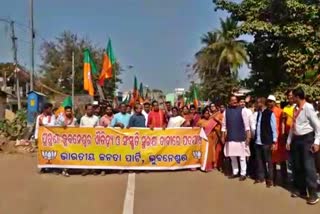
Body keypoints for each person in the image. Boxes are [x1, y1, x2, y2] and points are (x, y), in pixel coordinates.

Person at [286, 87, 320, 205]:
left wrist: (316, 142)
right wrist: (289, 141)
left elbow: (318, 126)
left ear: (297, 97)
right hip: (297, 139)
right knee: (298, 166)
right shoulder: (295, 108)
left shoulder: (308, 108)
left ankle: (313, 193)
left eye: (292, 96)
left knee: (308, 166)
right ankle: (302, 190)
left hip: (307, 139)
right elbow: (293, 126)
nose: (290, 98)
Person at [221, 95, 251, 181]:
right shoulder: (226, 112)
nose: (234, 101)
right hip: (230, 137)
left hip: (241, 137)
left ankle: (243, 173)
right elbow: (223, 126)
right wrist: (223, 136)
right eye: (232, 100)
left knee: (242, 156)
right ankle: (235, 172)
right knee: (232, 156)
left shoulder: (242, 110)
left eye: (235, 100)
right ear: (229, 102)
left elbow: (247, 125)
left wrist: (248, 136)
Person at [253, 97, 277, 187]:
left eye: (257, 103)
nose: (256, 104)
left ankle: (270, 179)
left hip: (266, 141)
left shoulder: (270, 113)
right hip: (258, 141)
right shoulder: (259, 113)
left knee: (269, 161)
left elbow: (274, 128)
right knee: (259, 161)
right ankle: (261, 177)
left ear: (261, 103)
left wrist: (274, 141)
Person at [268, 95, 288, 186]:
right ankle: (273, 179)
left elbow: (283, 124)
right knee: (272, 160)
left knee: (282, 160)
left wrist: (283, 136)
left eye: (271, 101)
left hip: (279, 139)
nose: (270, 103)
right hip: (271, 139)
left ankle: (285, 180)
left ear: (274, 102)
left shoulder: (280, 111)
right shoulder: (267, 112)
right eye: (268, 101)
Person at [55, 105, 77, 177]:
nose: (69, 112)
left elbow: (78, 128)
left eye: (70, 111)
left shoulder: (74, 119)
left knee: (70, 155)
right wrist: (61, 126)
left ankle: (68, 169)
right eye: (67, 111)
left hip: (72, 140)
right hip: (62, 140)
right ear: (65, 112)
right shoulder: (60, 119)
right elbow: (54, 127)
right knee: (63, 155)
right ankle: (63, 170)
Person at [80, 104, 99, 176]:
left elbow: (99, 129)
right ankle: (85, 170)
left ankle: (93, 170)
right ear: (86, 110)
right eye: (88, 109)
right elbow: (80, 129)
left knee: (93, 155)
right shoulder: (82, 118)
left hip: (94, 139)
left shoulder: (96, 118)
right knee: (85, 155)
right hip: (85, 140)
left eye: (91, 109)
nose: (90, 110)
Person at [197, 107, 216, 171]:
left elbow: (215, 129)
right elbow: (196, 130)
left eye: (208, 113)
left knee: (210, 152)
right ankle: (204, 166)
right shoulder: (200, 121)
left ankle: (210, 166)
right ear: (203, 114)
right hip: (204, 139)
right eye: (205, 113)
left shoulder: (211, 121)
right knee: (205, 152)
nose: (207, 115)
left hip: (211, 138)